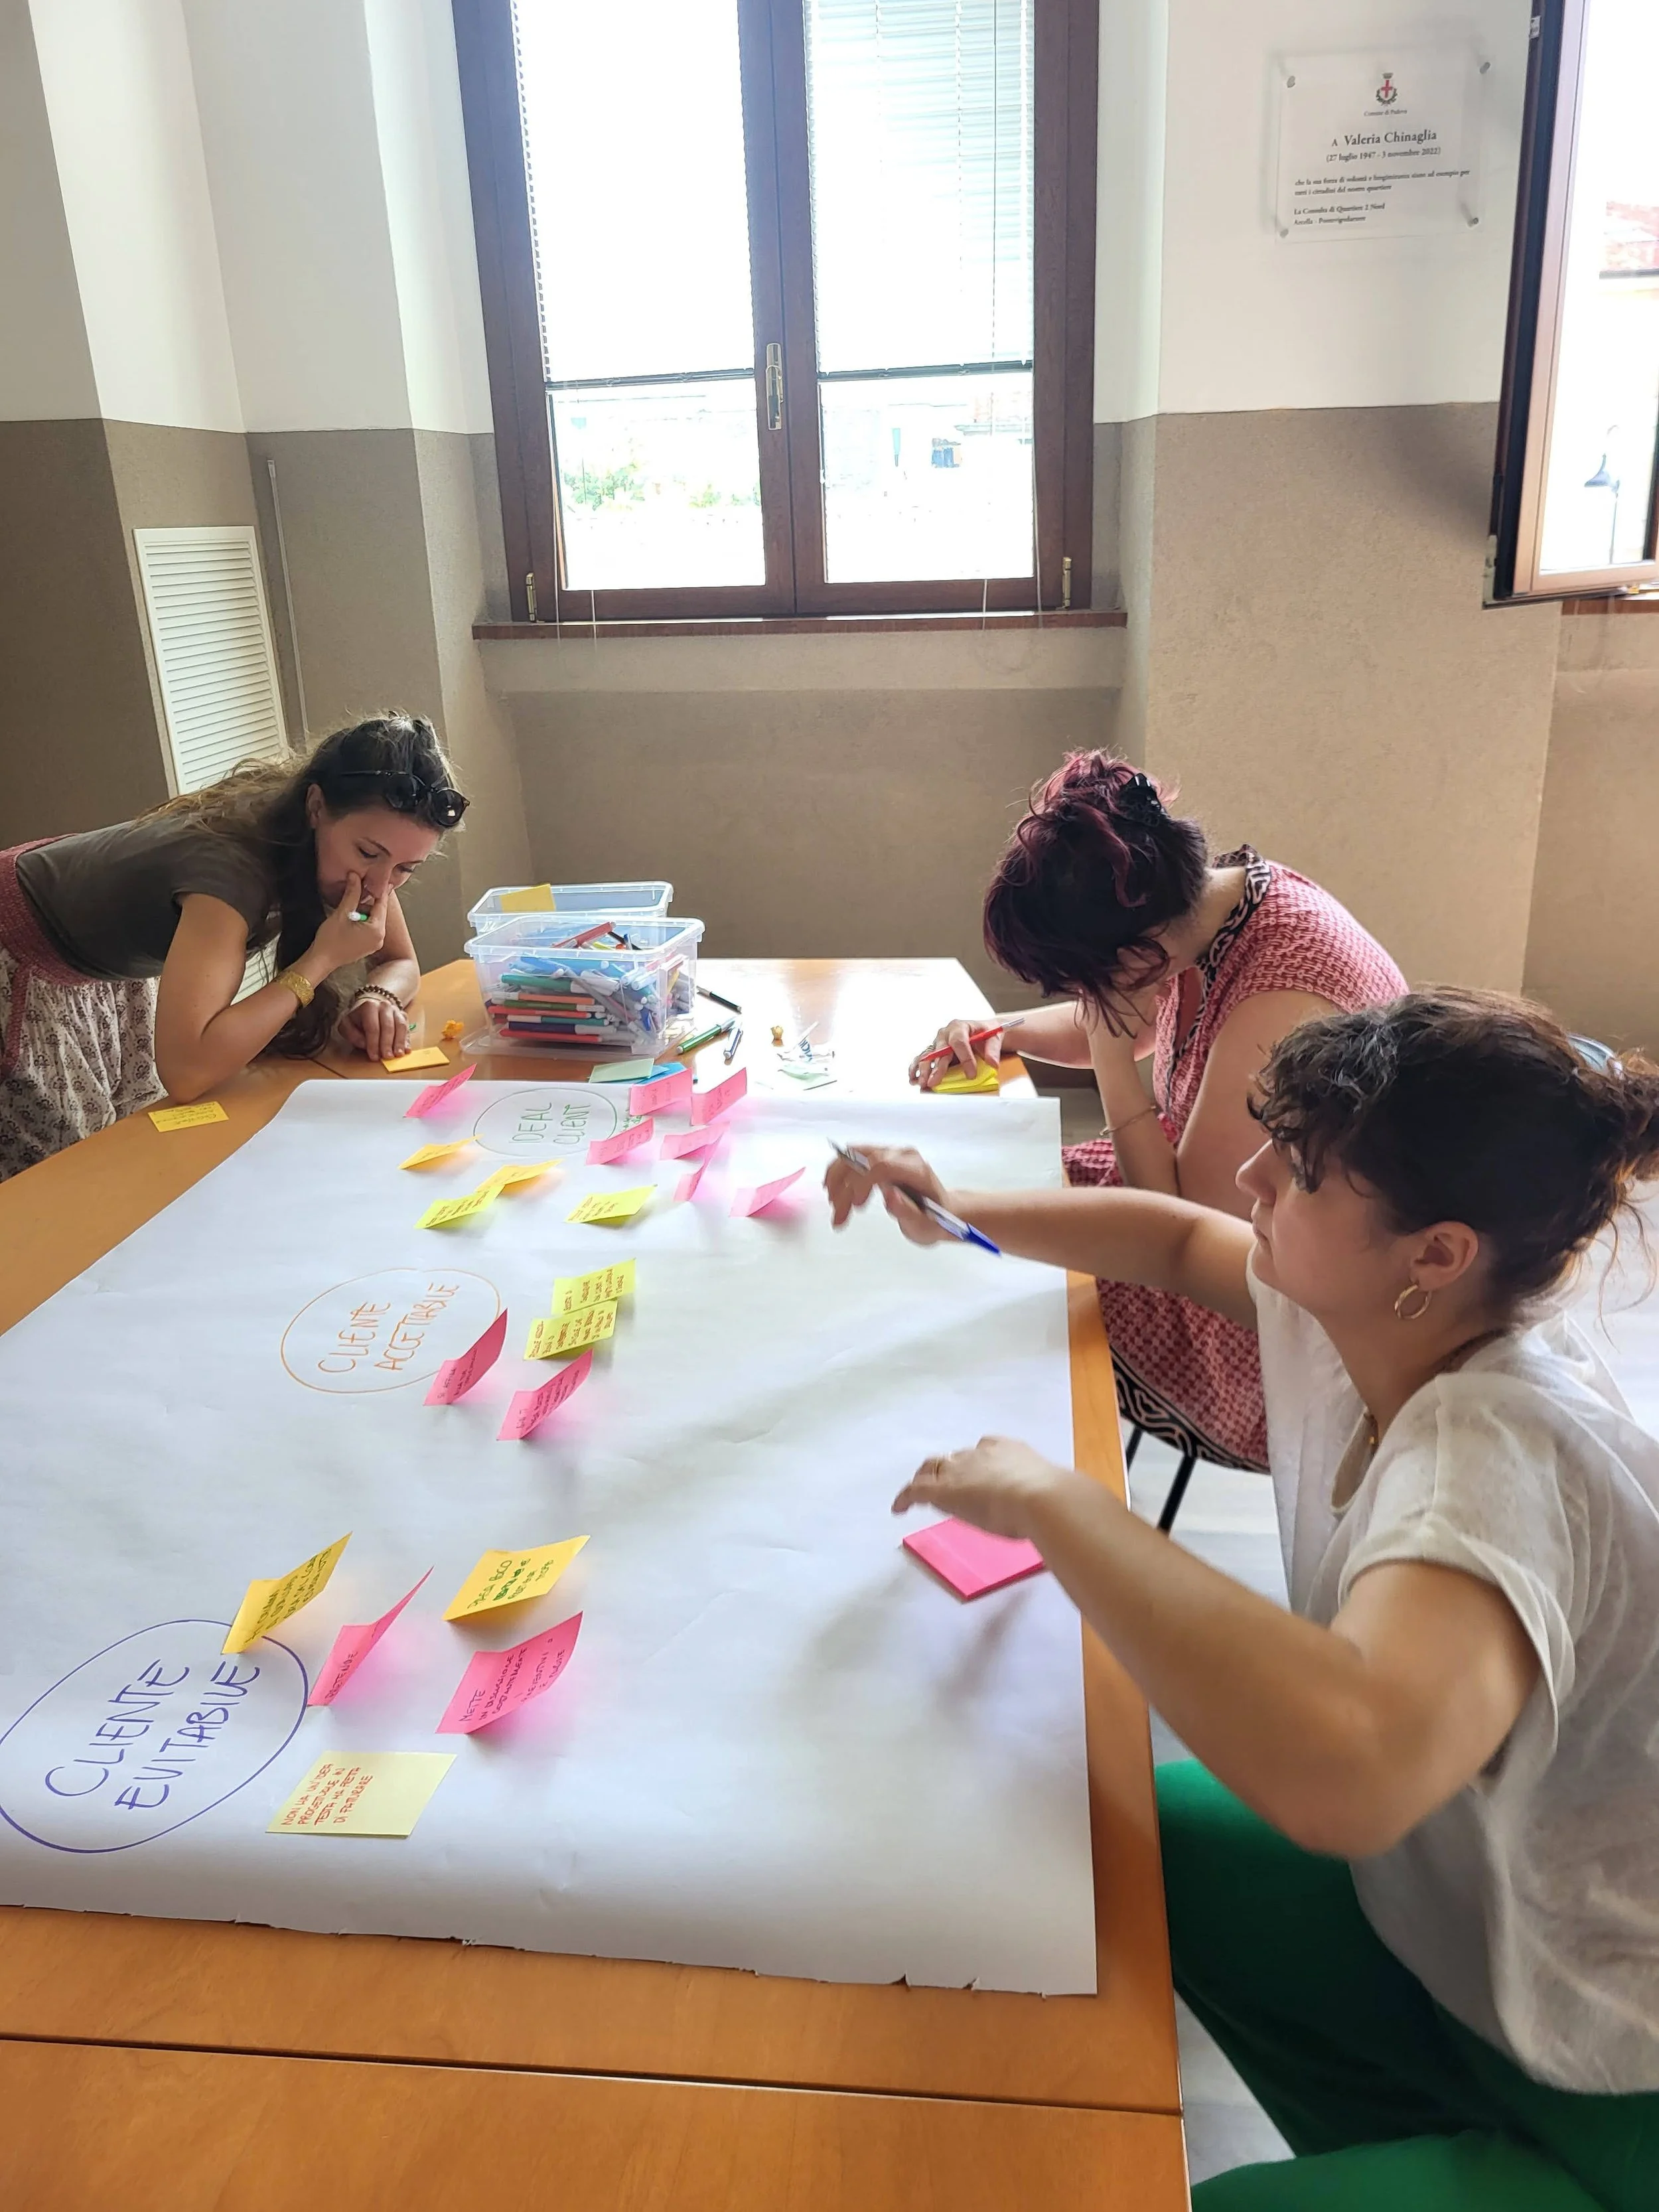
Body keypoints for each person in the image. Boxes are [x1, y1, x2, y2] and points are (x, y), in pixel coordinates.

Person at [831, 990, 1659, 2209]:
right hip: (1468, 1920)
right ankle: (1402, 2128)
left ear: (1436, 1251)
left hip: (1607, 2083)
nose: (1257, 1172)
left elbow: (1351, 1766)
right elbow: (1171, 1240)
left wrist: (1064, 1508)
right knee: (1080, 1823)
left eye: (1308, 1170)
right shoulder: (1372, 1313)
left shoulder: (1499, 1445)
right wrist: (958, 1205)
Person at [912, 752, 1405, 1471]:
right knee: (999, 1212)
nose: (1086, 996)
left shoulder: (1282, 996)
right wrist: (999, 1031)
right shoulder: (1212, 911)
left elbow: (1184, 1234)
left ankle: (1031, 1479)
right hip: (1200, 1207)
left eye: (1088, 980)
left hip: (1280, 1295)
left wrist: (1113, 1063)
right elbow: (1114, 1022)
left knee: (1008, 1284)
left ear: (1136, 957)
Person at [0, 712, 467, 1178]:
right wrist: (321, 959)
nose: (380, 885)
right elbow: (186, 1071)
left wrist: (378, 996)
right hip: (18, 953)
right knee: (59, 1180)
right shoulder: (231, 874)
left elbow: (400, 960)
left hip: (104, 962)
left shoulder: (350, 853)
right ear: (316, 807)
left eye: (408, 868)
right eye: (368, 854)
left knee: (134, 1154)